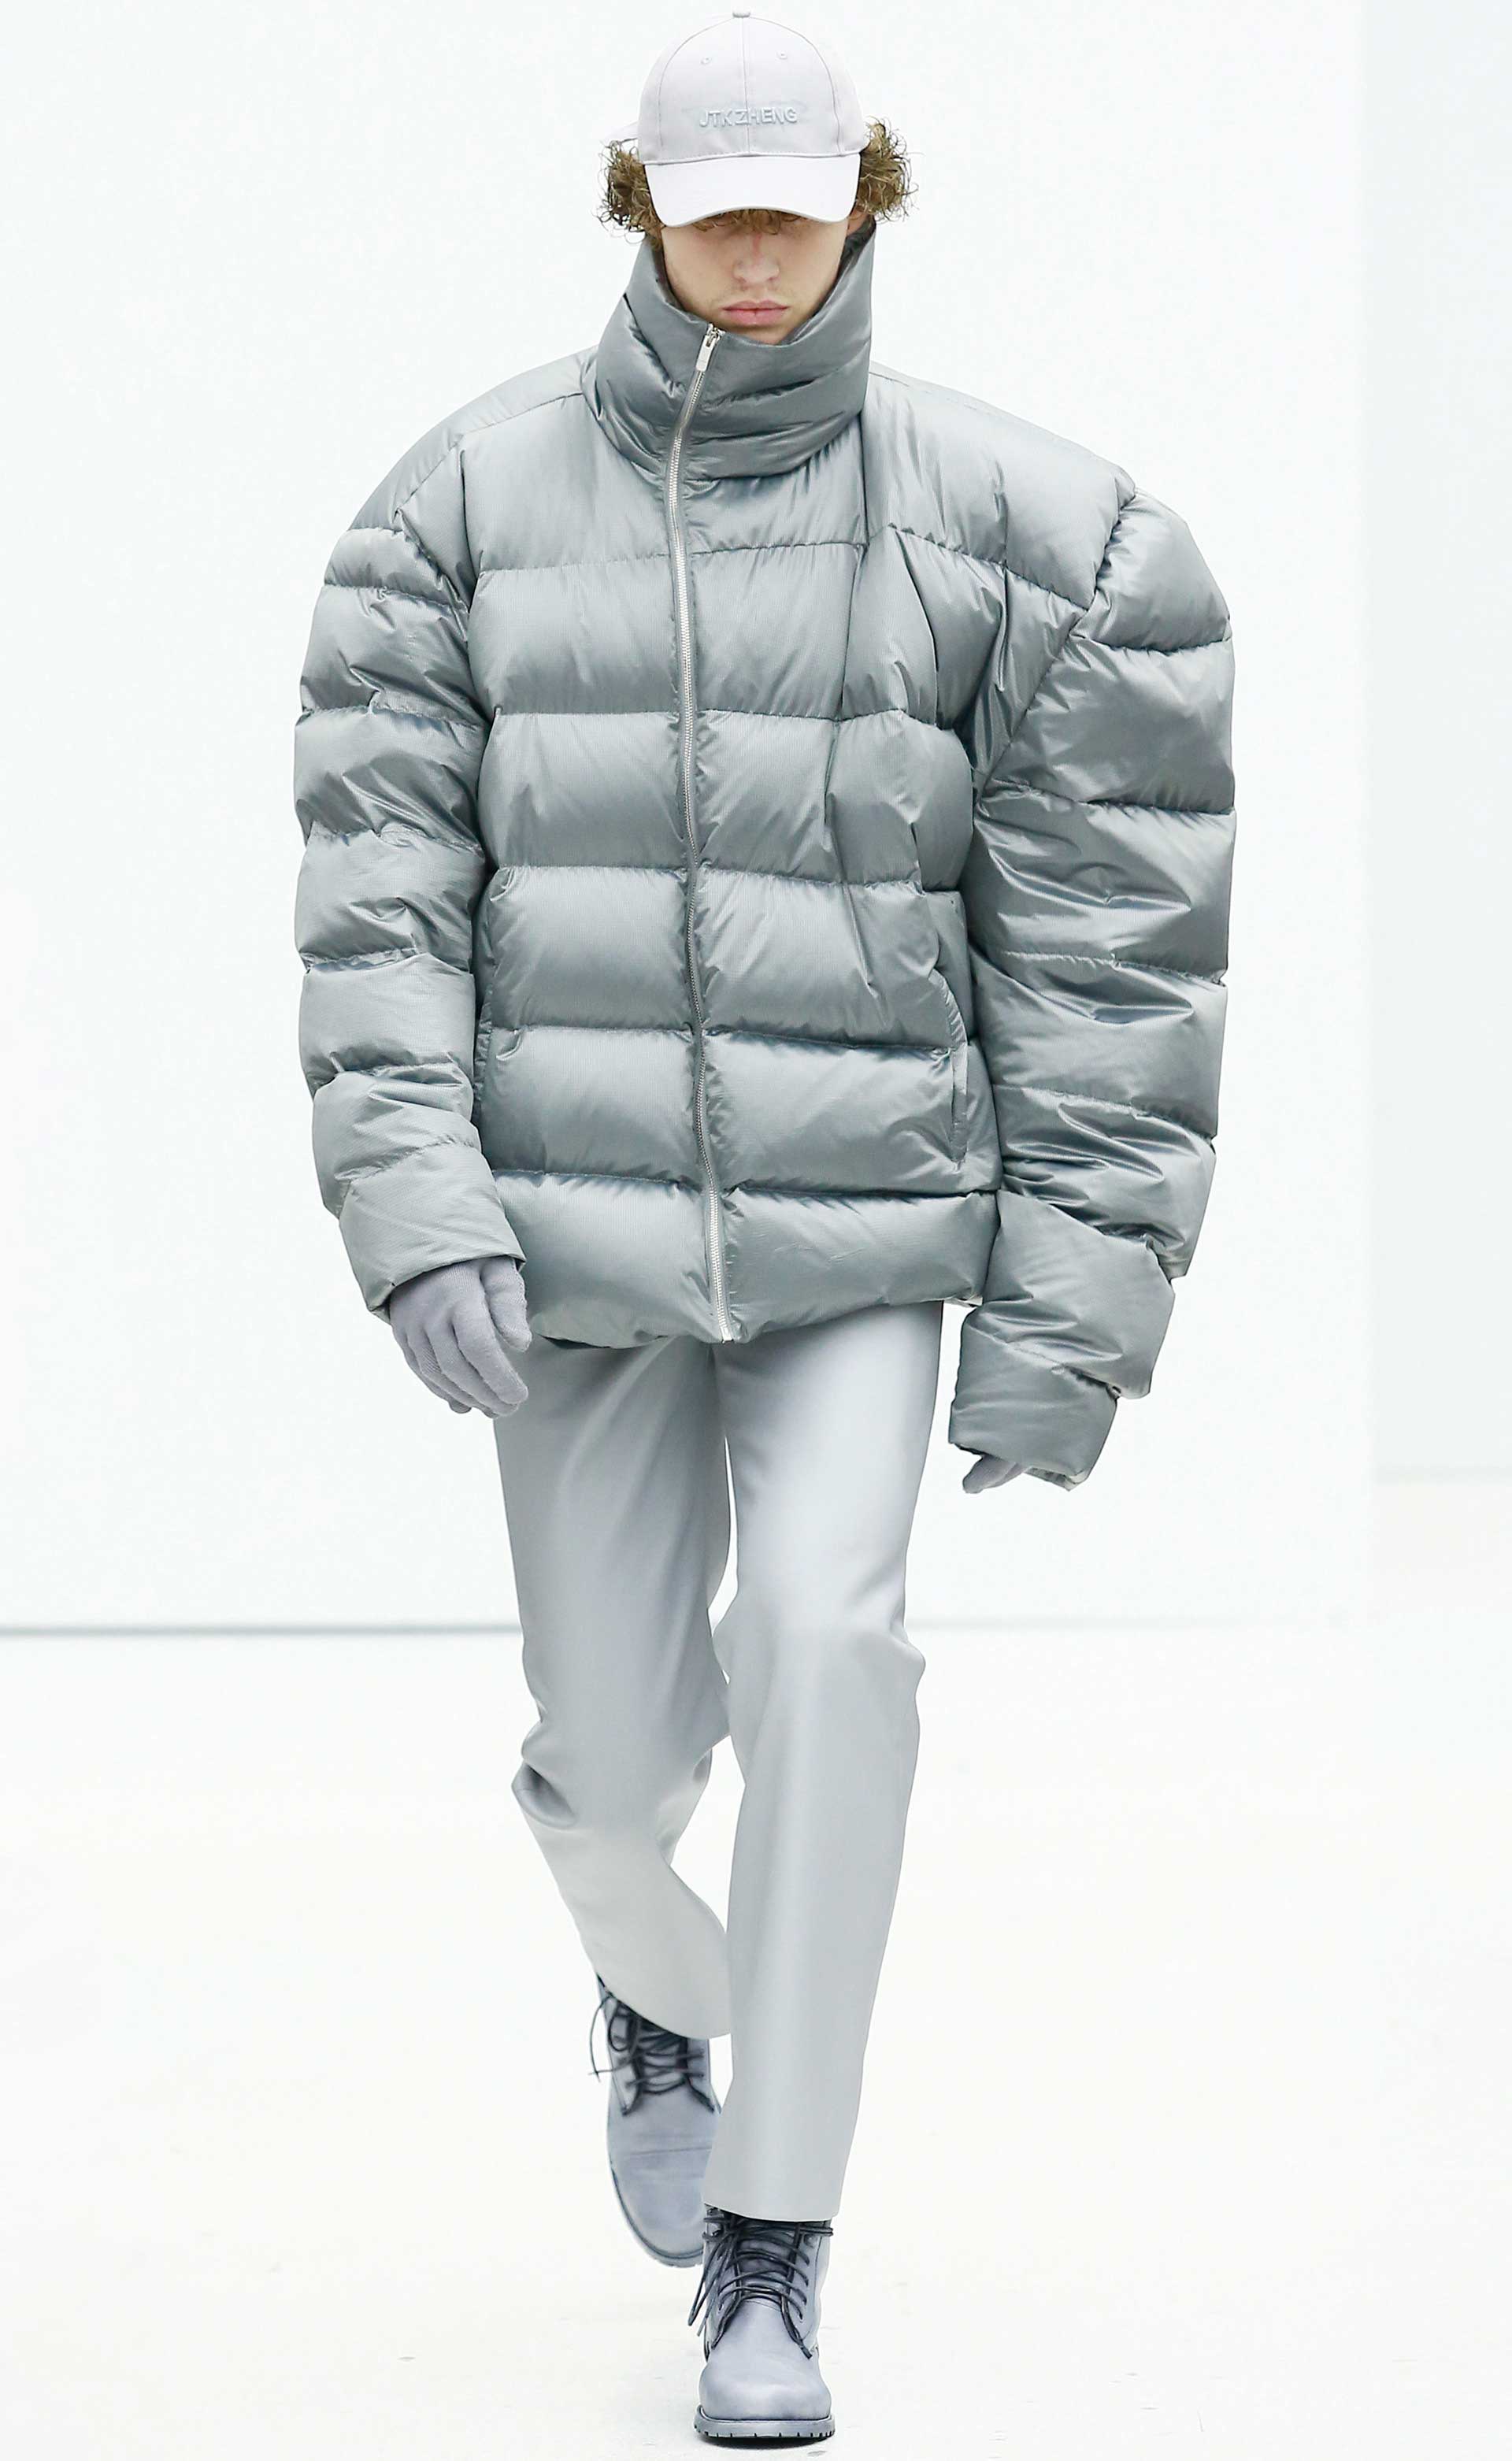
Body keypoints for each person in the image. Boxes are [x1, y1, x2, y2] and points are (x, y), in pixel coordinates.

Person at [291, 9, 1236, 2442]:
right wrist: (419, 1205)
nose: (747, 255)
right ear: (639, 202)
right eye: (706, 210)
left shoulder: (1030, 537)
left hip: (864, 1233)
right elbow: (381, 905)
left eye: (788, 213)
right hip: (572, 1244)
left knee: (833, 1647)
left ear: (860, 205)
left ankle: (773, 2240)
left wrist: (1069, 1315)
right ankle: (653, 1996)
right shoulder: (452, 517)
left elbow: (1110, 950)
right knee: (606, 1772)